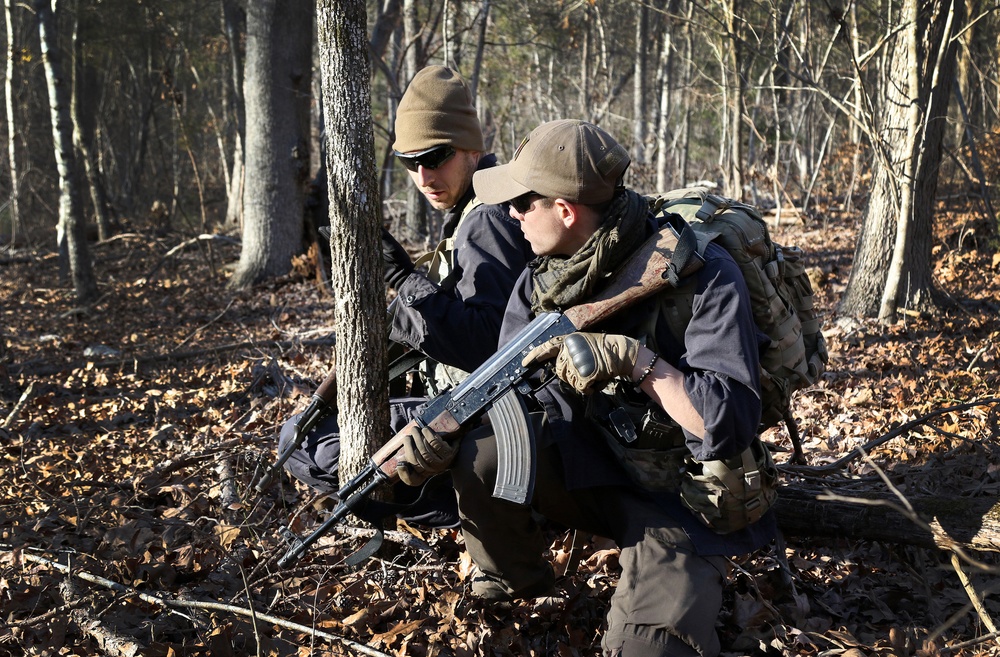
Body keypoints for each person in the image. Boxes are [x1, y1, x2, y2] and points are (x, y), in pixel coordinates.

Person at [427, 119, 777, 656]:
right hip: (590, 464)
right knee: (486, 449)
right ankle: (520, 580)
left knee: (649, 648)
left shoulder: (700, 272)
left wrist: (635, 360)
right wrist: (436, 435)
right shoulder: (541, 278)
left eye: (522, 204)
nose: (512, 216)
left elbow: (726, 423)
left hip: (677, 494)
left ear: (565, 211)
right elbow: (505, 390)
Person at [277, 66, 533, 527]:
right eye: (409, 162)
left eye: (436, 156)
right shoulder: (482, 203)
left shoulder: (486, 219)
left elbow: (485, 346)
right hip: (494, 407)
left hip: (503, 413)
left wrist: (402, 277)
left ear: (472, 148)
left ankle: (441, 505)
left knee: (303, 439)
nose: (424, 174)